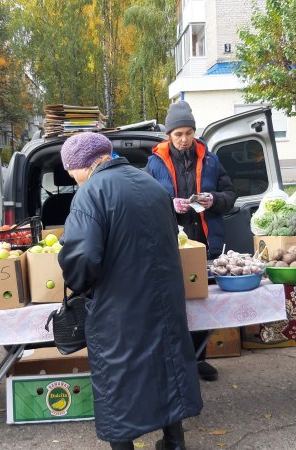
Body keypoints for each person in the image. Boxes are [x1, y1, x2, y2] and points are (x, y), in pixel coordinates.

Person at [58, 132, 203, 450]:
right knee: (167, 365)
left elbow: (81, 258)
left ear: (85, 164)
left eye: (72, 172)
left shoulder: (91, 192)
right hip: (163, 298)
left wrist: (78, 282)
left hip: (119, 305)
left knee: (118, 378)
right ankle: (174, 442)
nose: (74, 179)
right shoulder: (152, 185)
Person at [146, 100, 237, 383]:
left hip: (206, 241)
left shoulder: (210, 159)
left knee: (203, 302)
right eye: (178, 134)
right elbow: (144, 202)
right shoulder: (154, 162)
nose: (184, 140)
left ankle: (198, 359)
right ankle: (176, 363)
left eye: (188, 133)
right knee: (175, 304)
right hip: (171, 244)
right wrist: (167, 205)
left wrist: (214, 200)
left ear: (194, 132)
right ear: (168, 136)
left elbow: (230, 195)